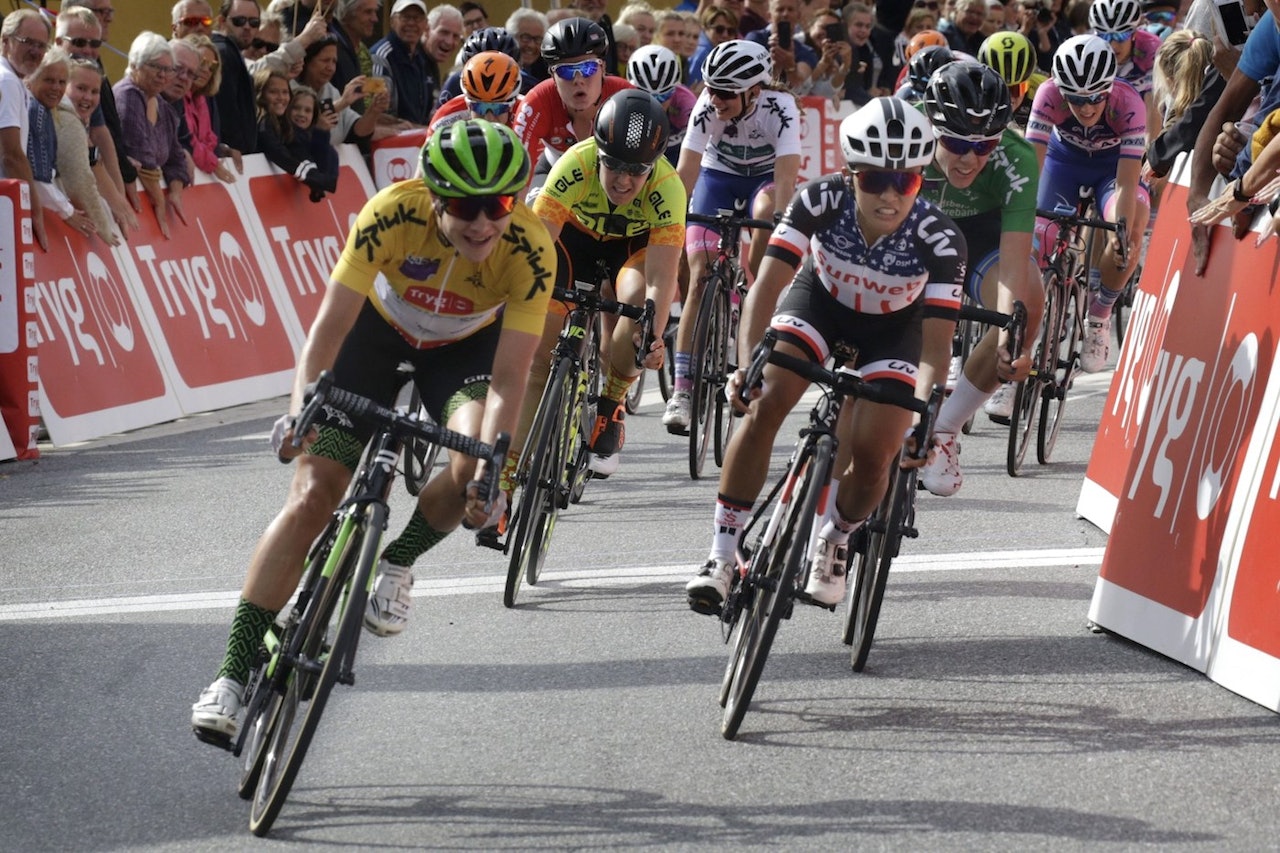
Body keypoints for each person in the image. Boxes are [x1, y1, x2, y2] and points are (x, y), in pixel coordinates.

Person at [190, 121, 555, 741]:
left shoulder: (530, 249)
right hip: (375, 338)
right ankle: (230, 674)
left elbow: (508, 380)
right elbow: (328, 329)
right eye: (466, 207)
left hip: (462, 355)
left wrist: (493, 467)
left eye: (498, 206)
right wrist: (300, 408)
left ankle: (399, 558)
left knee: (472, 463)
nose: (483, 224)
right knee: (311, 495)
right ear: (434, 197)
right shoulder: (390, 214)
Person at [684, 97, 965, 613]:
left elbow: (936, 345)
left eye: (905, 182)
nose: (889, 196)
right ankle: (722, 554)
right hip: (820, 305)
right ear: (849, 173)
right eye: (873, 180)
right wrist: (747, 364)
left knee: (877, 451)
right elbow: (766, 287)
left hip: (893, 331)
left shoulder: (941, 238)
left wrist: (925, 415)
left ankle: (835, 538)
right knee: (766, 401)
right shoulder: (818, 200)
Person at [523, 90, 684, 479]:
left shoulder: (668, 188)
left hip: (630, 251)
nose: (624, 181)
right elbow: (536, 249)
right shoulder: (572, 164)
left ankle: (611, 406)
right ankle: (515, 469)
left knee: (635, 309)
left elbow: (661, 280)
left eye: (637, 170)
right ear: (597, 151)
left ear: (655, 165)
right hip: (571, 242)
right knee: (538, 358)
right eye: (612, 165)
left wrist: (653, 338)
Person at [915, 62, 1041, 497]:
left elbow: (1012, 265)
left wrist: (1011, 333)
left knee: (1029, 301)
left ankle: (946, 429)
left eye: (984, 144)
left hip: (980, 235)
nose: (970, 159)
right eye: (954, 142)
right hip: (915, 228)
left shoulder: (1016, 158)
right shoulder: (905, 133)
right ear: (932, 127)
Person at [662, 40, 801, 433]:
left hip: (764, 179)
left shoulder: (781, 108)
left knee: (763, 219)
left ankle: (750, 291)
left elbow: (787, 178)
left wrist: (779, 226)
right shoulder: (708, 105)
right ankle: (683, 391)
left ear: (754, 90)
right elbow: (686, 172)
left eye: (725, 92)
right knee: (700, 275)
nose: (715, 98)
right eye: (710, 88)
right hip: (716, 177)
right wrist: (671, 218)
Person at [1025, 34, 1148, 374]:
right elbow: (1030, 168)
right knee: (1038, 236)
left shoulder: (1128, 102)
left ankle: (1100, 316)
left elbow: (1125, 183)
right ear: (1060, 89)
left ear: (1109, 86)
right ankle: (1023, 342)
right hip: (1063, 163)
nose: (1087, 107)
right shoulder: (1048, 94)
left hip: (1111, 171)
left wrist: (1117, 234)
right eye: (1076, 99)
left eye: (1095, 96)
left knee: (1131, 224)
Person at [514, 17, 632, 192]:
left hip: (612, 181)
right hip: (554, 173)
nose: (578, 80)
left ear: (603, 69)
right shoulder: (537, 101)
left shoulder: (627, 97)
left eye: (588, 68)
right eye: (565, 71)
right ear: (552, 76)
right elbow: (517, 177)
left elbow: (651, 167)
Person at [53, 6, 136, 238]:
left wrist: (119, 196)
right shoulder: (47, 76)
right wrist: (109, 209)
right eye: (79, 42)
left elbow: (101, 136)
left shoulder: (89, 73)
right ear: (59, 41)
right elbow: (86, 158)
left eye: (95, 44)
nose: (87, 51)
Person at [114, 32, 192, 240]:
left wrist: (175, 192)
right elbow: (140, 153)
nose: (163, 75)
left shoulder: (163, 106)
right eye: (155, 67)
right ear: (135, 64)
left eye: (168, 69)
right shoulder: (128, 95)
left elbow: (176, 158)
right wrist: (159, 200)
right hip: (132, 208)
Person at [26, 47, 98, 240]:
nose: (56, 88)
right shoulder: (36, 111)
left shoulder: (46, 110)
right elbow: (38, 178)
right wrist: (68, 212)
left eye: (61, 82)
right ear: (30, 79)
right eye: (49, 80)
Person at [54, 57, 123, 244]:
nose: (88, 97)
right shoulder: (68, 121)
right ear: (64, 85)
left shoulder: (73, 118)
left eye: (95, 92)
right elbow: (80, 180)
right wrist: (103, 227)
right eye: (81, 88)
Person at [0, 9, 50, 251]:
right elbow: (11, 154)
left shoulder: (13, 80)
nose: (36, 51)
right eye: (27, 42)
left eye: (42, 45)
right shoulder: (7, 81)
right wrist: (34, 209)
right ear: (5, 41)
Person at [255, 67, 336, 200]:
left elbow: (299, 151)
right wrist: (314, 179)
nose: (281, 98)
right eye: (273, 92)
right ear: (260, 93)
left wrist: (316, 182)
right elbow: (278, 153)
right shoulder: (264, 121)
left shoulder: (284, 124)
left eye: (285, 92)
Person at [1089, 0, 1162, 142]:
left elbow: (1153, 104)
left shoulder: (1151, 48)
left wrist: (1149, 151)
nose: (1113, 44)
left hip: (1141, 116)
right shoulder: (1089, 49)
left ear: (1134, 32)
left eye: (1120, 36)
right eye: (1105, 36)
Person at [626, 45, 696, 163]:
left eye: (663, 96)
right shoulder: (622, 97)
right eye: (646, 96)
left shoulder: (687, 103)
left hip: (676, 151)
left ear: (675, 89)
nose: (656, 103)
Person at [368, 0, 432, 125]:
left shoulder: (421, 58)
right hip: (392, 136)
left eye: (417, 18)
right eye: (405, 17)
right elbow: (376, 108)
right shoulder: (379, 56)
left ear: (425, 24)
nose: (411, 23)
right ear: (392, 21)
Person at [428, 50, 523, 134]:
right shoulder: (444, 118)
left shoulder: (525, 111)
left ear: (512, 104)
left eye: (498, 108)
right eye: (479, 107)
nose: (488, 118)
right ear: (468, 105)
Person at [212, 0, 263, 155]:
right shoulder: (224, 52)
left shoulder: (228, 51)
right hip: (230, 157)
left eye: (254, 23)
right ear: (221, 21)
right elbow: (228, 111)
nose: (247, 27)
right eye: (239, 21)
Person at [744, 0, 816, 91]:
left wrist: (790, 66)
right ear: (769, 16)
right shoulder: (755, 40)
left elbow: (799, 87)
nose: (785, 14)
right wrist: (774, 66)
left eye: (790, 9)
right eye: (780, 9)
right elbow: (749, 78)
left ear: (799, 15)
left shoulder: (807, 52)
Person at [506, 7, 549, 83]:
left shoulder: (548, 72)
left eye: (537, 39)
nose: (531, 45)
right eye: (526, 37)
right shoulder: (500, 70)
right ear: (511, 37)